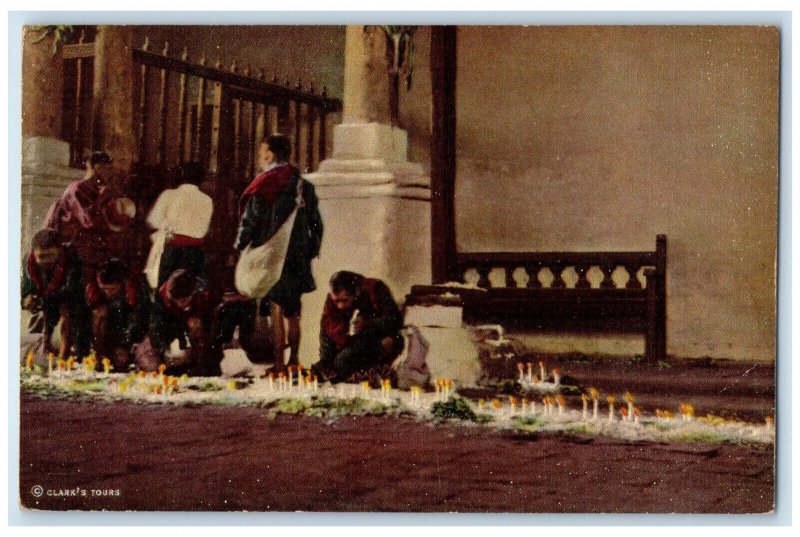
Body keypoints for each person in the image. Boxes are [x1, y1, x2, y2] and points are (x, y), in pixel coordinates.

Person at [234, 134, 323, 373]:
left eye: (263, 151)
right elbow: (317, 223)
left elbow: (250, 220)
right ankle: (294, 359)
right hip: (298, 255)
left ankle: (278, 364)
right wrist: (311, 250)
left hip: (274, 255)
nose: (260, 156)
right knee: (293, 311)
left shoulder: (265, 183)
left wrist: (240, 246)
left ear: (271, 154)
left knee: (276, 309)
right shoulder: (305, 185)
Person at [312, 271, 404, 384]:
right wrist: (325, 361)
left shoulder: (375, 288)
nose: (340, 306)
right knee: (323, 367)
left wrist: (368, 324)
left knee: (342, 361)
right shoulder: (331, 300)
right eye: (337, 301)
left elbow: (395, 320)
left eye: (345, 300)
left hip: (382, 341)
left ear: (356, 292)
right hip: (352, 345)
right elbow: (326, 329)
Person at [21, 229, 87, 359]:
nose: (46, 260)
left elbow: (72, 290)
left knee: (68, 314)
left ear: (60, 250)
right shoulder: (28, 262)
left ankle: (68, 354)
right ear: (34, 253)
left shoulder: (71, 258)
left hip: (69, 304)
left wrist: (43, 300)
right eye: (41, 256)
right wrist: (27, 300)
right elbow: (25, 291)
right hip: (44, 306)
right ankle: (41, 352)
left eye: (50, 255)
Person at [145, 162, 213, 289]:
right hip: (195, 254)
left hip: (171, 251)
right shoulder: (207, 200)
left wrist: (168, 226)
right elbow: (203, 230)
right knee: (192, 291)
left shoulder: (169, 195)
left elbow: (152, 220)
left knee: (165, 290)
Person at [139, 269, 213, 374]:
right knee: (153, 367)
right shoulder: (161, 301)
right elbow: (156, 333)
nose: (180, 305)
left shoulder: (200, 296)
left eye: (184, 301)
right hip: (164, 343)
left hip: (188, 344)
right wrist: (167, 352)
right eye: (177, 302)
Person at [85, 258, 149, 371]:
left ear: (122, 283)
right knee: (99, 313)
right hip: (108, 334)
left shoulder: (135, 290)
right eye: (105, 289)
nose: (109, 293)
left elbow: (138, 320)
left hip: (132, 335)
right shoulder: (93, 289)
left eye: (113, 289)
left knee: (122, 361)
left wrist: (124, 346)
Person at [43, 150, 113, 245]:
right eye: (107, 169)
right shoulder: (76, 188)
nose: (110, 174)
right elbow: (87, 221)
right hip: (67, 239)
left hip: (84, 237)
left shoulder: (98, 189)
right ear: (98, 168)